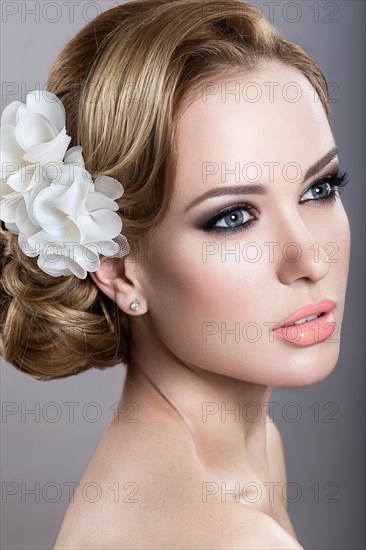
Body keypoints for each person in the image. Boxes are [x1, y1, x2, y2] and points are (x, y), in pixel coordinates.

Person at [0, 1, 351, 548]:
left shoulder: (244, 455)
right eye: (232, 217)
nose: (310, 259)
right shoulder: (229, 536)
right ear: (118, 272)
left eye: (319, 189)